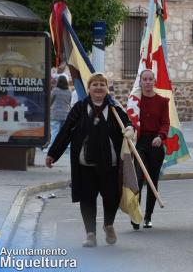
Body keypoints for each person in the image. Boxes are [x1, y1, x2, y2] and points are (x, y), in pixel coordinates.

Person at [45, 73, 133, 247]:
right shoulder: (79, 107)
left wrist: (130, 129)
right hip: (85, 163)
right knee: (87, 198)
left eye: (102, 84)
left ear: (107, 88)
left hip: (110, 163)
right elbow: (65, 131)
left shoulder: (114, 107)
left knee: (112, 197)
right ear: (89, 88)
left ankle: (108, 225)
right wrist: (53, 153)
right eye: (95, 84)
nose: (99, 87)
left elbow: (128, 123)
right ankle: (90, 234)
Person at [132, 68, 170, 230]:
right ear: (140, 82)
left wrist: (160, 137)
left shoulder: (162, 101)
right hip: (139, 143)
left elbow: (165, 123)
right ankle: (136, 215)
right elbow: (129, 119)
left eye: (150, 79)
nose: (147, 82)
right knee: (138, 179)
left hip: (155, 143)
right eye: (144, 79)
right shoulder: (135, 101)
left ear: (154, 81)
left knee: (152, 181)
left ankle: (148, 216)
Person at [47, 76, 72, 151]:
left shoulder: (55, 90)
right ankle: (63, 147)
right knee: (63, 132)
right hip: (66, 114)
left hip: (56, 113)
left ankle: (52, 147)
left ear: (58, 82)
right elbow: (69, 102)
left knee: (54, 130)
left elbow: (50, 101)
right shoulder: (69, 91)